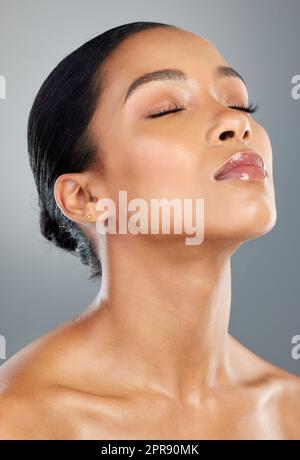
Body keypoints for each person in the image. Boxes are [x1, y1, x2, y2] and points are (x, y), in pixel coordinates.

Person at [0, 21, 299, 440]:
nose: (235, 124)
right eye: (168, 109)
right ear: (84, 198)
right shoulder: (17, 420)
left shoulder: (290, 412)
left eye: (240, 104)